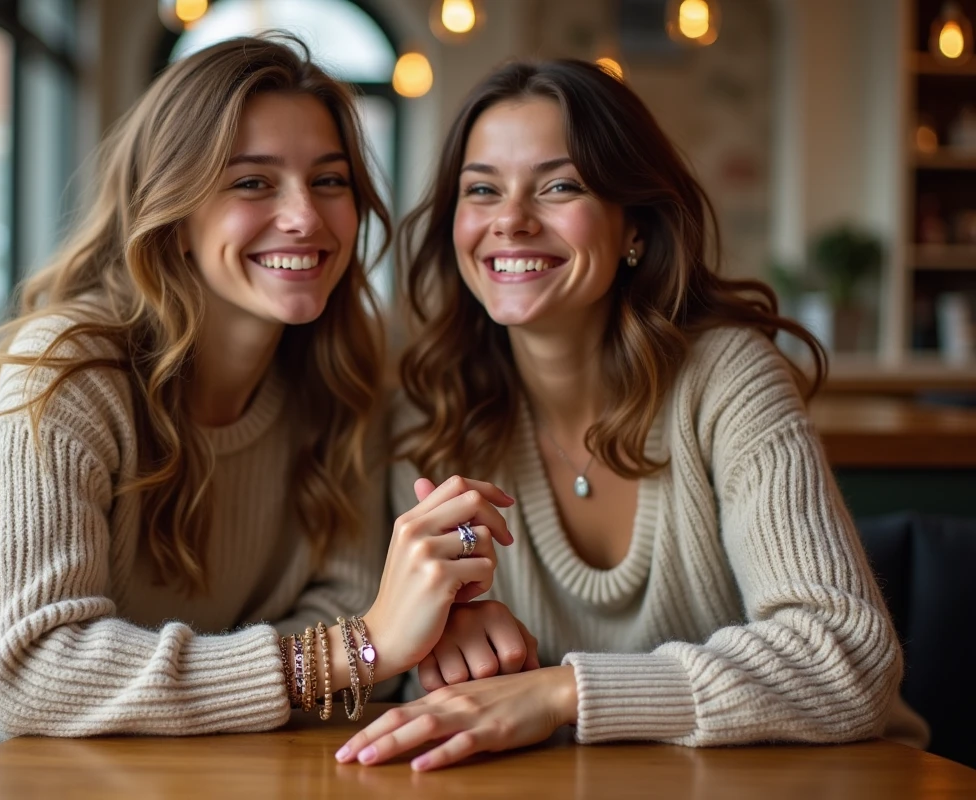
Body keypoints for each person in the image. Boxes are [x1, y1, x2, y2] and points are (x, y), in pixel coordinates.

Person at [0, 36, 515, 799]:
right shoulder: (70, 369)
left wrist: (400, 630)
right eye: (252, 181)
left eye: (329, 179)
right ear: (172, 204)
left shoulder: (345, 383)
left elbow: (337, 608)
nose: (304, 216)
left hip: (142, 770)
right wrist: (359, 649)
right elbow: (35, 673)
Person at [336, 57, 929, 772]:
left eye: (560, 186)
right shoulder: (431, 412)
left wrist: (563, 691)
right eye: (482, 190)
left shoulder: (726, 379)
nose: (512, 221)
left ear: (635, 229)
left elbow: (844, 662)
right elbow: (404, 694)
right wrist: (441, 642)